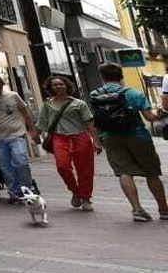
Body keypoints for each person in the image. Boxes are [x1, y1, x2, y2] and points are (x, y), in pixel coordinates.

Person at [90, 62, 167, 223]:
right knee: (151, 172)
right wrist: (159, 113)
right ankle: (163, 209)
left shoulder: (94, 95)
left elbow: (95, 120)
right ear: (121, 76)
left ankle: (137, 210)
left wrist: (96, 140)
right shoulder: (134, 93)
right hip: (137, 135)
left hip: (110, 137)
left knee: (124, 172)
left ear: (102, 77)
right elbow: (150, 118)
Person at [0, 69, 40, 205]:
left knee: (20, 161)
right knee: (5, 168)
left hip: (16, 135)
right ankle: (15, 193)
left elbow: (26, 114)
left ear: (3, 86)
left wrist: (33, 131)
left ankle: (28, 189)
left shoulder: (13, 96)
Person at [37, 75, 99, 210]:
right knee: (62, 166)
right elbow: (42, 123)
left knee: (85, 170)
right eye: (55, 85)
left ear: (67, 86)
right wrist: (36, 136)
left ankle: (86, 198)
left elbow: (90, 122)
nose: (58, 86)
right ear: (51, 88)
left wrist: (96, 141)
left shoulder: (79, 103)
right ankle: (75, 192)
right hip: (59, 139)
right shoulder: (47, 105)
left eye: (61, 84)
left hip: (80, 137)